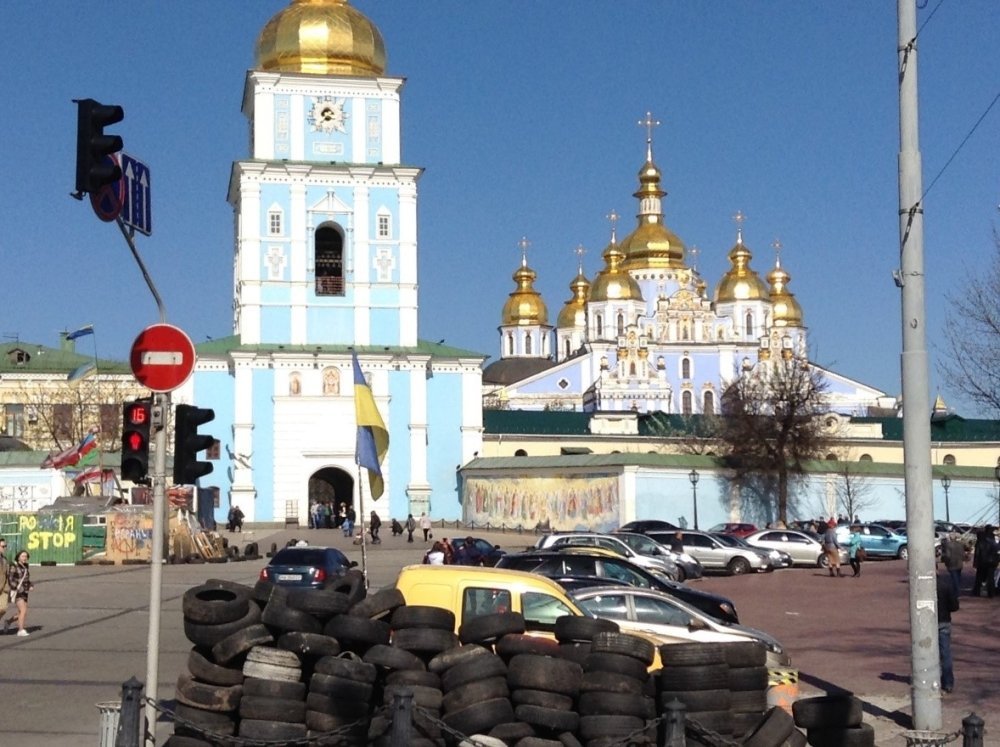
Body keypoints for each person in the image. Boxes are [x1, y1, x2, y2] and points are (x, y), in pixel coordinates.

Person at [937, 571, 959, 693]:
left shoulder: (919, 585)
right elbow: (954, 606)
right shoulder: (945, 585)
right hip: (944, 621)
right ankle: (948, 682)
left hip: (926, 624)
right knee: (945, 653)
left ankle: (931, 678)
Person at [4, 550, 33, 636]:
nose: (24, 558)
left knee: (21, 612)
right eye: (23, 556)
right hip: (17, 591)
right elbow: (10, 578)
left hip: (25, 591)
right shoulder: (14, 566)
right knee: (23, 610)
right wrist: (16, 587)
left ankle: (8, 622)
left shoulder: (25, 566)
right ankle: (20, 630)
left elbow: (26, 579)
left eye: (26, 556)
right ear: (18, 557)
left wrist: (31, 585)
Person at [972, 525, 998, 598]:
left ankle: (976, 592)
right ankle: (991, 593)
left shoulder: (980, 540)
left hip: (982, 561)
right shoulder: (994, 540)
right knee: (991, 578)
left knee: (979, 577)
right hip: (992, 561)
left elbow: (977, 553)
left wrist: (975, 563)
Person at [0, 538, 9, 623]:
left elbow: (6, 574)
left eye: (5, 546)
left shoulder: (4, 559)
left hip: (3, 589)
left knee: (3, 609)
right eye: (3, 546)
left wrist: (6, 587)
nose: (5, 548)